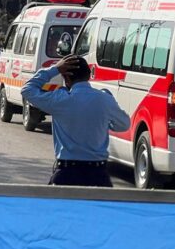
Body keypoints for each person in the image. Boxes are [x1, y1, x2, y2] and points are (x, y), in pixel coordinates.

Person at [21, 55, 130, 187]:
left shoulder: (60, 99)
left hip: (66, 174)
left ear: (66, 78)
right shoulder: (105, 99)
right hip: (97, 175)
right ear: (89, 75)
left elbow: (27, 90)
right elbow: (124, 124)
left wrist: (55, 69)